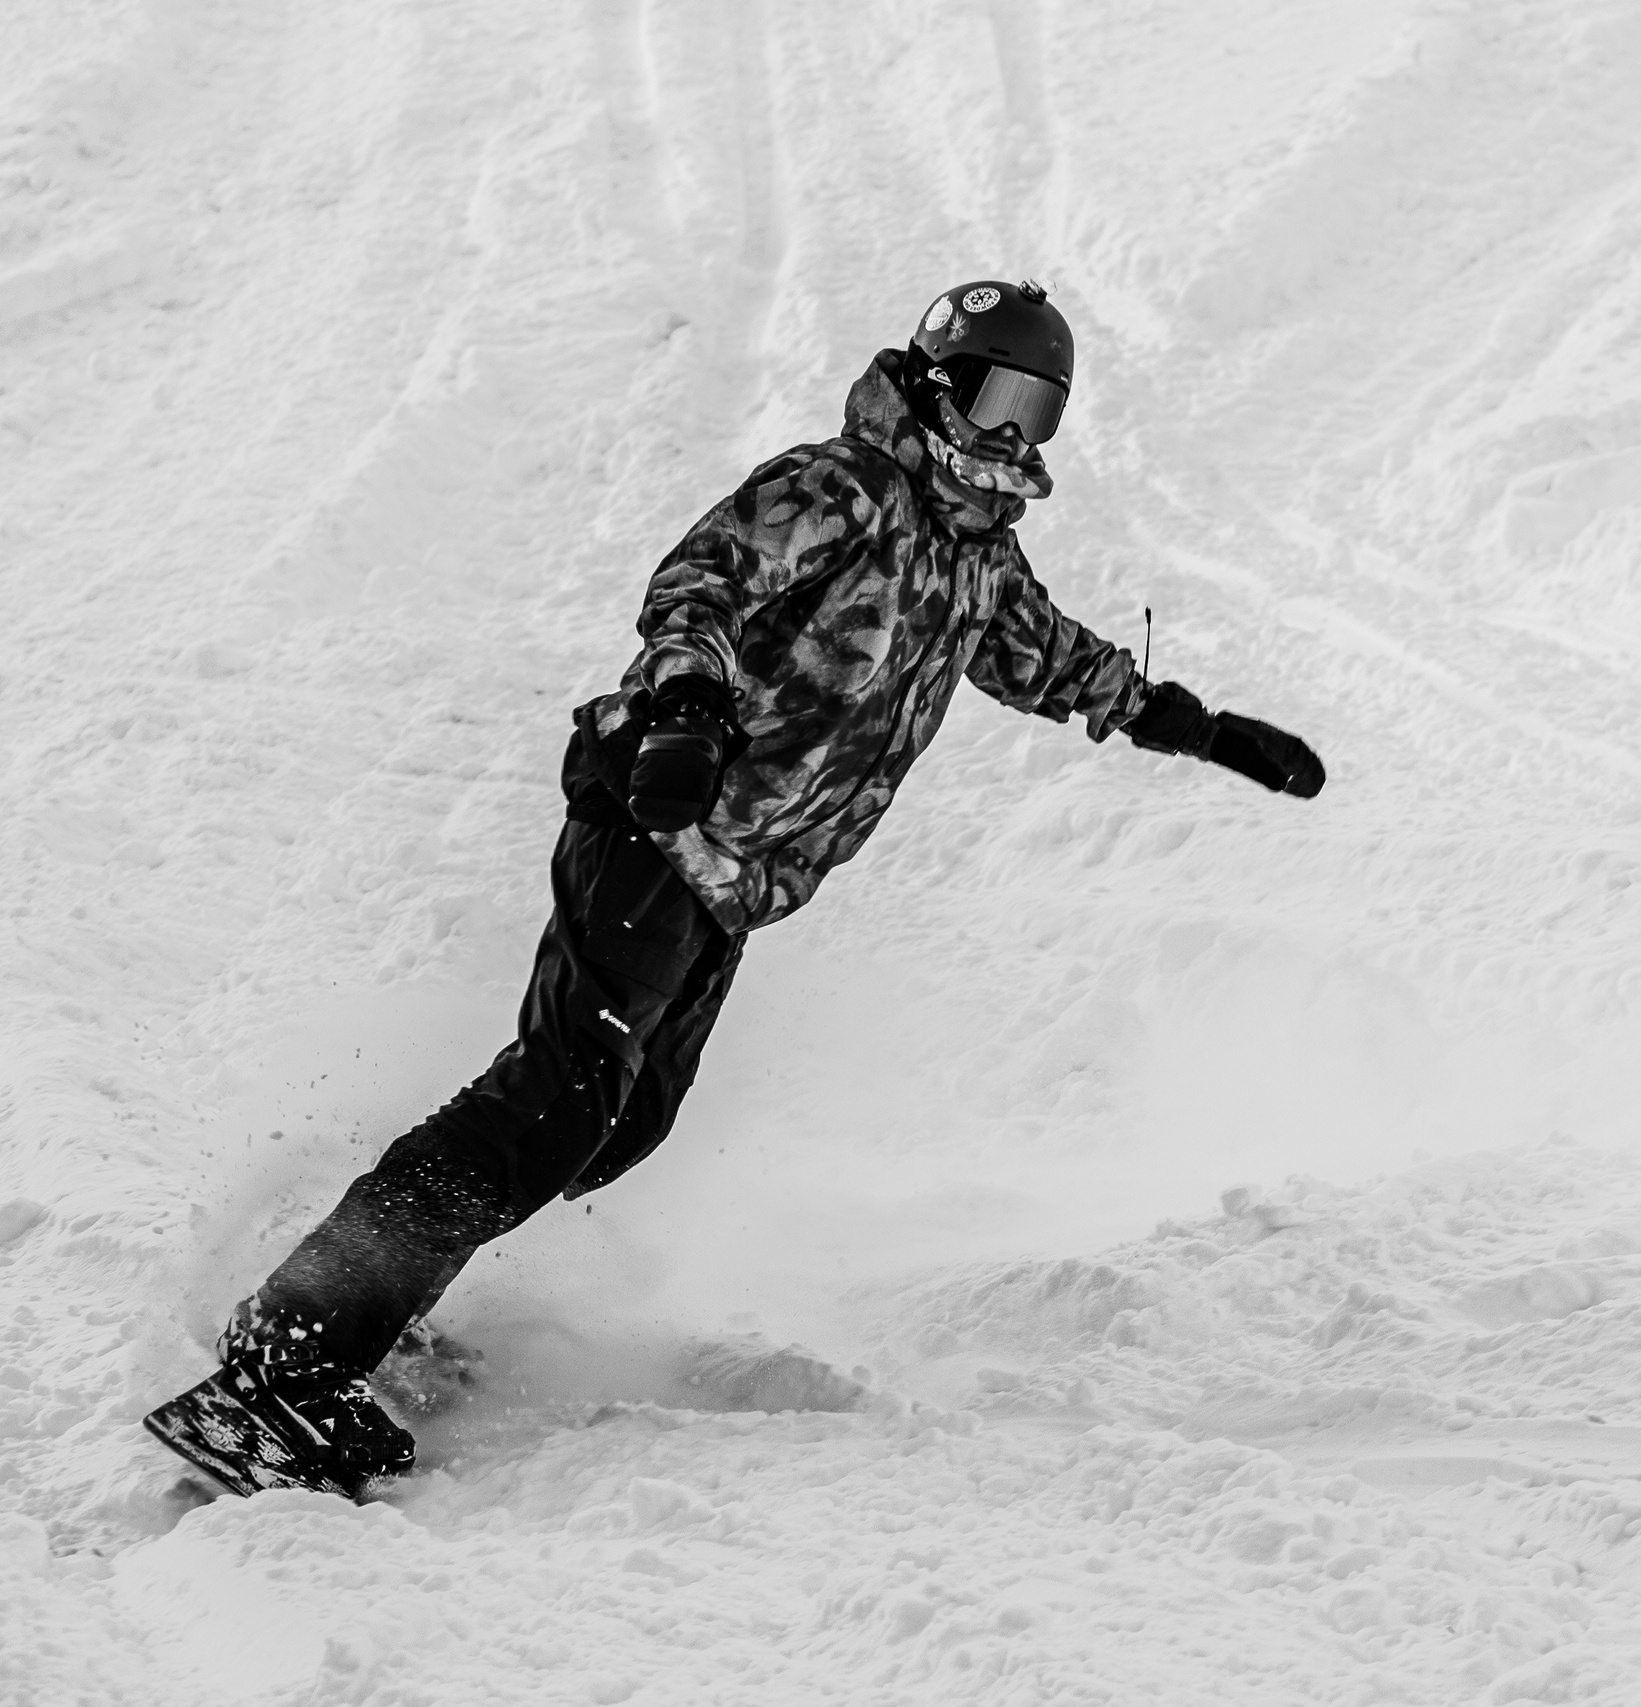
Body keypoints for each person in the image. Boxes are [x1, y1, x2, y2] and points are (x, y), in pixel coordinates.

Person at [144, 279, 1324, 1499]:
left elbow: (1049, 658)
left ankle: (375, 1299)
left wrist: (1198, 727)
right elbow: (700, 585)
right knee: (552, 1106)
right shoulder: (842, 487)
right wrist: (687, 712)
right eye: (997, 393)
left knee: (614, 1127)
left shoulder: (974, 554)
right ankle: (285, 1356)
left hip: (732, 884)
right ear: (938, 378)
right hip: (657, 824)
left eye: (1041, 408)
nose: (1016, 431)